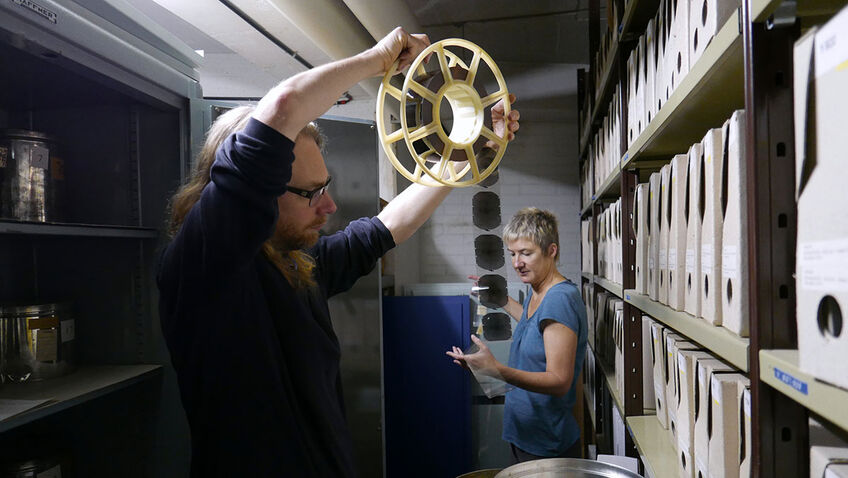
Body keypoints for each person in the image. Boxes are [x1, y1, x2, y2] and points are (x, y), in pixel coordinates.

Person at [157, 27, 519, 477]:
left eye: (324, 187)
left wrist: (472, 150)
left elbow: (388, 227)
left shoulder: (297, 265)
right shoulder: (206, 267)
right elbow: (284, 107)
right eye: (310, 193)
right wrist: (377, 59)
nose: (329, 206)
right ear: (253, 192)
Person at [447, 208, 587, 464]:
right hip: (525, 435)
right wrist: (501, 299)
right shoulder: (539, 291)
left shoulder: (559, 299)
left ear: (551, 251)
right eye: (512, 253)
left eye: (526, 253)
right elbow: (535, 326)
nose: (516, 262)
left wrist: (496, 370)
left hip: (546, 444)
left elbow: (559, 381)